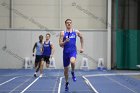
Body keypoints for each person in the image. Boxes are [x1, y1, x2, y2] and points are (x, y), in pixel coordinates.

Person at [59, 19, 84, 91]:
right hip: (65, 53)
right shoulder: (62, 33)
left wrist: (82, 48)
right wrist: (65, 42)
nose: (69, 24)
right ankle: (67, 82)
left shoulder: (75, 32)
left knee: (72, 62)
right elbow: (60, 44)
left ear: (71, 24)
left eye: (70, 23)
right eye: (67, 23)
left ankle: (72, 72)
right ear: (65, 24)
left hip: (73, 51)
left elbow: (81, 37)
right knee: (66, 71)